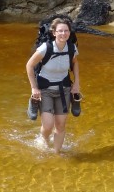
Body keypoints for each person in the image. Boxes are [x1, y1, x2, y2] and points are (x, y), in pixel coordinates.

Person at [25, 17, 81, 154]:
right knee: (48, 125)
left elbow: (75, 64)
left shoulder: (71, 48)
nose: (64, 34)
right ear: (54, 32)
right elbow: (29, 65)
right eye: (60, 31)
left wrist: (77, 84)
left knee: (60, 125)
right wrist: (34, 88)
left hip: (64, 90)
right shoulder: (46, 48)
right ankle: (43, 140)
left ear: (69, 32)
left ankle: (57, 153)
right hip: (45, 90)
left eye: (66, 31)